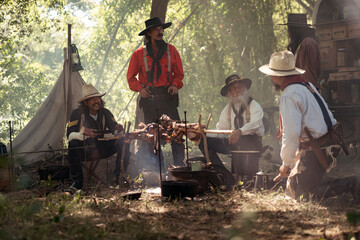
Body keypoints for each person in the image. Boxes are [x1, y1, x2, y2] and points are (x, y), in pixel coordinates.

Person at [259, 50, 348, 199]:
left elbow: (291, 134)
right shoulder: (305, 86)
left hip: (320, 149)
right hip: (328, 142)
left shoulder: (289, 94)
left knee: (300, 192)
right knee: (295, 186)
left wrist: (285, 165)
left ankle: (352, 184)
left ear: (275, 76)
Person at [127, 17, 185, 170]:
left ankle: (179, 167)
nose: (160, 32)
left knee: (177, 132)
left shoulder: (171, 50)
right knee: (152, 136)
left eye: (161, 29)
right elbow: (130, 78)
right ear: (149, 33)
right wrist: (141, 89)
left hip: (168, 96)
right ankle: (157, 170)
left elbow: (179, 74)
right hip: (150, 98)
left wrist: (174, 84)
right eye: (156, 29)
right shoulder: (139, 54)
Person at [197, 74, 265, 190]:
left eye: (240, 87)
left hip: (252, 141)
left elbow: (256, 125)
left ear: (245, 89)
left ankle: (244, 179)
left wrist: (240, 131)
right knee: (203, 142)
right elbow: (220, 131)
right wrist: (202, 134)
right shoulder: (227, 109)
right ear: (229, 93)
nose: (237, 90)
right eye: (233, 88)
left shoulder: (254, 105)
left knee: (242, 139)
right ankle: (223, 175)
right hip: (233, 142)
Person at [66, 83, 130, 191]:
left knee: (124, 141)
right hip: (85, 150)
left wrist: (118, 130)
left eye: (98, 98)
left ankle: (119, 178)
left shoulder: (105, 112)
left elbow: (114, 129)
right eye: (92, 99)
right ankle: (77, 183)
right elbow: (70, 135)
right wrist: (84, 135)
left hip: (101, 148)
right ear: (85, 102)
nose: (97, 101)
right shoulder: (76, 114)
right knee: (73, 144)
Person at [280, 13, 321, 88]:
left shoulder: (307, 44)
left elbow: (307, 76)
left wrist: (306, 92)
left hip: (306, 92)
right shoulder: (302, 45)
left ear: (294, 30)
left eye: (289, 28)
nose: (288, 32)